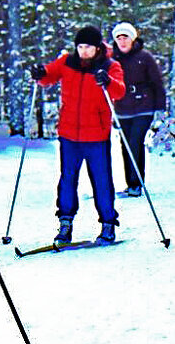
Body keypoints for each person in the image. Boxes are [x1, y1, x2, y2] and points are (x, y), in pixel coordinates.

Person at [29, 26, 125, 245]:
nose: (83, 51)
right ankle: (65, 223)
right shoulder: (67, 62)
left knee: (101, 181)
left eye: (88, 47)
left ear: (97, 47)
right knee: (67, 179)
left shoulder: (110, 66)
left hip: (97, 136)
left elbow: (119, 91)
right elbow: (49, 75)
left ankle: (108, 224)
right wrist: (41, 73)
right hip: (69, 134)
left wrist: (107, 81)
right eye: (80, 47)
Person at [110, 22, 167, 197]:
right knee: (125, 145)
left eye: (125, 37)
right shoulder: (112, 60)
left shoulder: (145, 57)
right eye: (118, 38)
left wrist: (160, 109)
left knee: (135, 141)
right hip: (122, 107)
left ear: (133, 38)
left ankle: (137, 184)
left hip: (144, 106)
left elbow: (157, 83)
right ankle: (131, 183)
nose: (122, 41)